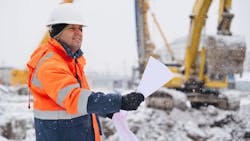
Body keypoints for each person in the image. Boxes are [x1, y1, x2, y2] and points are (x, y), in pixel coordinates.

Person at [26, 3, 144, 141]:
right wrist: (119, 102)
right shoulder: (51, 64)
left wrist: (107, 110)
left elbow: (83, 102)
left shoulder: (71, 61)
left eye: (80, 28)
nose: (78, 33)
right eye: (72, 28)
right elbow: (75, 99)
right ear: (57, 32)